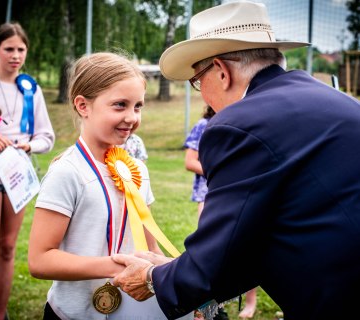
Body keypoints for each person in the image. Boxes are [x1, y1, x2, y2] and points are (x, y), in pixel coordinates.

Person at [111, 1, 360, 320]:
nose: (203, 95)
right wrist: (174, 270)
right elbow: (260, 240)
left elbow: (220, 253)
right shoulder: (338, 101)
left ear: (222, 71)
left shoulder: (238, 126)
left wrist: (151, 278)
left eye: (197, 80)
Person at [27, 52, 193, 320]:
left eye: (138, 106)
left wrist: (176, 287)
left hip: (129, 313)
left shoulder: (137, 170)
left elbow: (150, 249)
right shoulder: (67, 172)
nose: (131, 117)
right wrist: (116, 266)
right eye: (120, 105)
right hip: (72, 314)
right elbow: (39, 260)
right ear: (83, 106)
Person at [0, 22, 55, 320]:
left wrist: (27, 147)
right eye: (9, 49)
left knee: (6, 248)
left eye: (20, 49)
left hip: (17, 177)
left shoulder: (30, 88)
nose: (15, 55)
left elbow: (46, 137)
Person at [185, 105, 256, 319]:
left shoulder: (247, 123)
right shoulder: (203, 126)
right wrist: (224, 172)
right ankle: (212, 305)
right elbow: (190, 161)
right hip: (208, 196)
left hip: (241, 195)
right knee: (208, 252)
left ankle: (251, 302)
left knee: (248, 249)